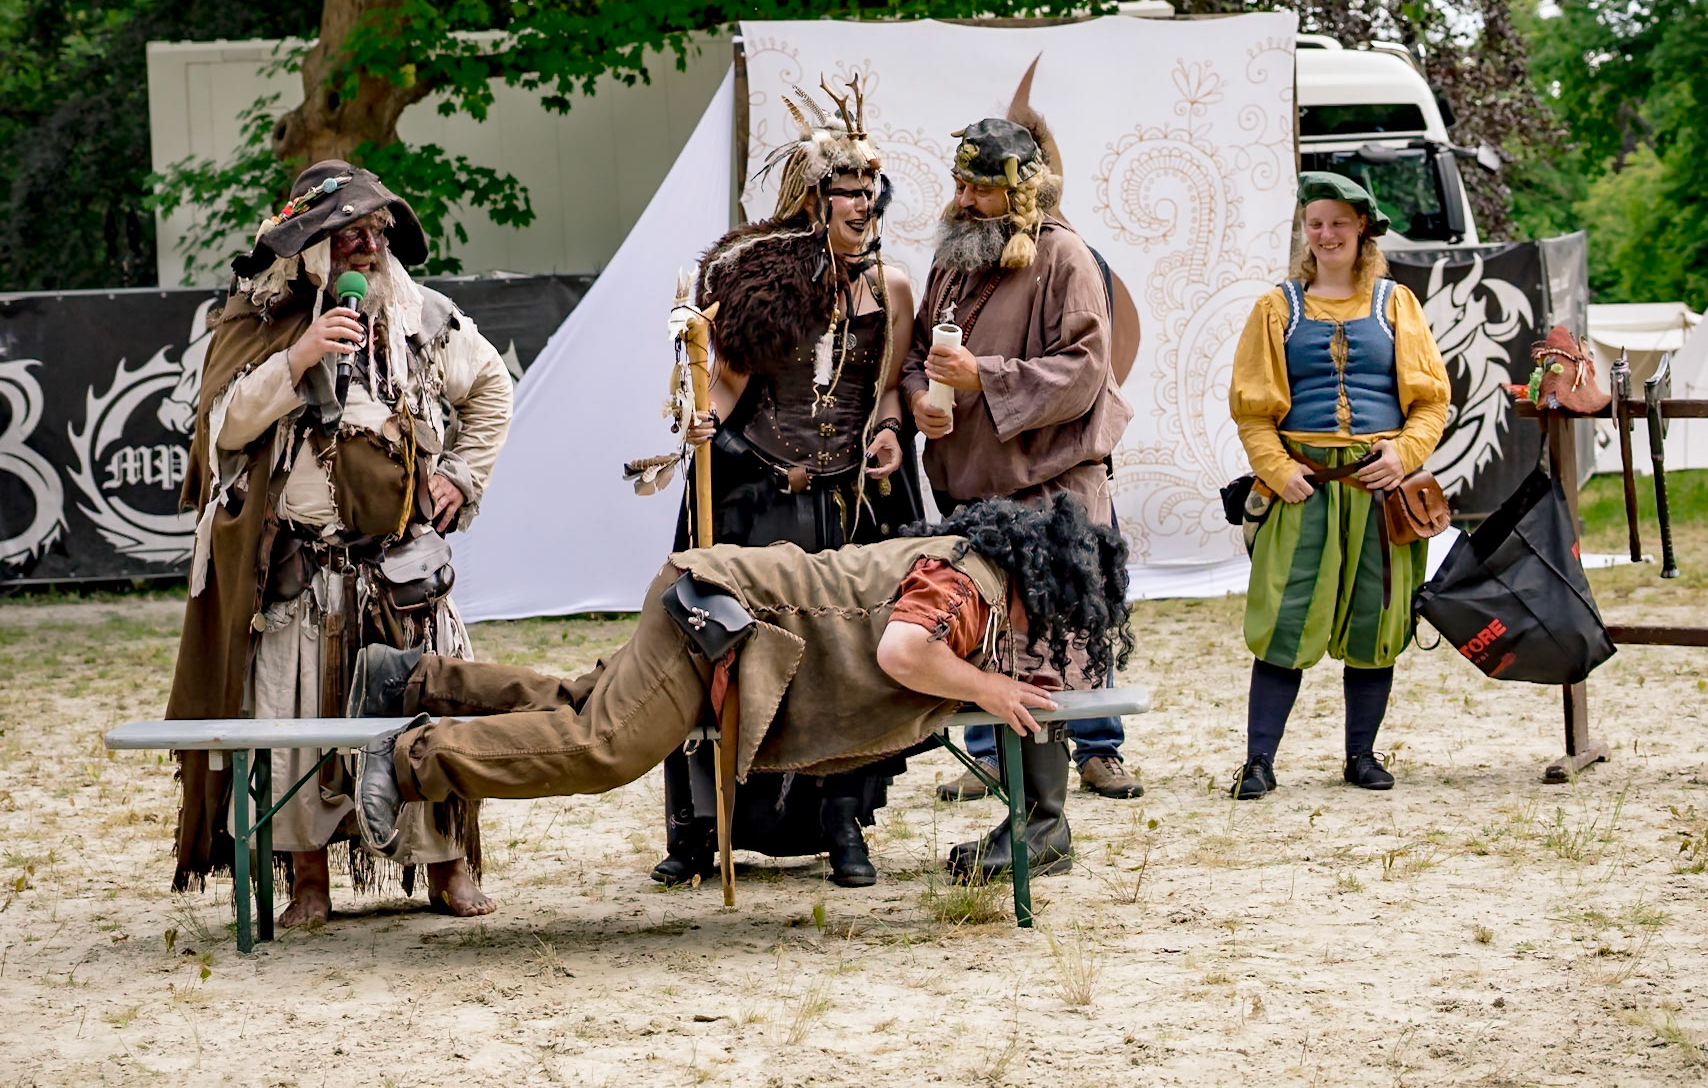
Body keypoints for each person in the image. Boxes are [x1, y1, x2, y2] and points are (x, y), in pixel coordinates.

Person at [346, 497, 1134, 883]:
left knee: (585, 706)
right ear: (1054, 584)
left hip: (723, 605)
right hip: (718, 621)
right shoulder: (970, 585)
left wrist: (993, 681)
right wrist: (989, 690)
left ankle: (410, 677)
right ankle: (410, 755)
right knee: (607, 748)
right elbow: (903, 651)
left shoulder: (972, 574)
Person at [166, 161, 513, 924]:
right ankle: (311, 883)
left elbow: (491, 386)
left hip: (402, 570)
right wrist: (301, 355)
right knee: (293, 730)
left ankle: (446, 868)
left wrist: (461, 474)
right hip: (305, 573)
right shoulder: (260, 318)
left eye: (376, 231)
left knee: (429, 718)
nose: (366, 246)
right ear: (312, 246)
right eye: (348, 233)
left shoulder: (421, 316)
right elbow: (222, 425)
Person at [650, 77, 922, 889]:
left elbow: (889, 384)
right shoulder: (760, 279)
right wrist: (701, 421)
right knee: (720, 650)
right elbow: (723, 378)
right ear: (814, 200)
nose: (864, 209)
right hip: (754, 498)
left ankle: (843, 824)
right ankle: (698, 831)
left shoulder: (893, 287)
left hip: (847, 508)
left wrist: (889, 432)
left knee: (847, 662)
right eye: (850, 195)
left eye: (873, 194)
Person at [898, 111, 1138, 870]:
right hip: (976, 501)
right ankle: (1024, 821)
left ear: (1021, 189)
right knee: (995, 663)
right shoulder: (953, 260)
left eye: (982, 188)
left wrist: (986, 380)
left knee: (1038, 662)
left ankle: (1043, 829)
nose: (966, 200)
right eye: (960, 184)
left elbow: (1085, 372)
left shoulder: (1065, 259)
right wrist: (917, 399)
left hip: (1049, 503)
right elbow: (914, 357)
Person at [1226, 171, 1450, 799]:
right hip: (1306, 489)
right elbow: (1253, 410)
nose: (1325, 234)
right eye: (1315, 223)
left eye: (1338, 223)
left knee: (1374, 623)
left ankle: (1361, 756)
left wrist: (1403, 453)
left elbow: (1431, 403)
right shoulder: (1277, 307)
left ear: (1361, 230)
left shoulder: (1396, 304)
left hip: (1381, 497)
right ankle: (1260, 761)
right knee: (1284, 619)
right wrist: (1277, 470)